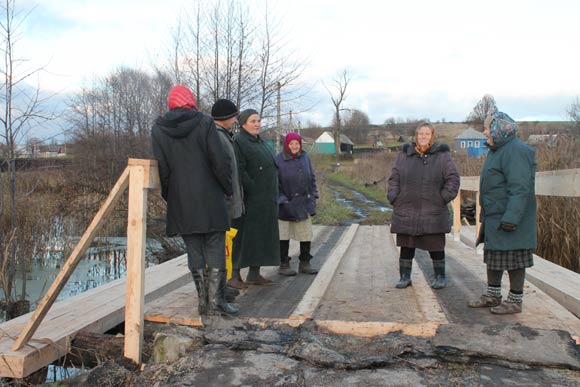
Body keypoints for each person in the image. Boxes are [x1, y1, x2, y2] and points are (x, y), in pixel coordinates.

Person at [151, 85, 238, 316]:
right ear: (190, 101)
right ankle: (217, 302)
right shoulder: (204, 122)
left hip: (181, 199)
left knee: (194, 251)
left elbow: (164, 169)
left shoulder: (158, 130)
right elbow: (218, 160)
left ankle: (202, 302)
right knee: (215, 248)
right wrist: (227, 188)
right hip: (210, 196)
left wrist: (171, 196)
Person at [468, 112, 537, 314]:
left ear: (498, 129)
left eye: (487, 128)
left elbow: (520, 188)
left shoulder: (516, 151)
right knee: (495, 256)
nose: (484, 131)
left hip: (509, 216)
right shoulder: (497, 150)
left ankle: (515, 301)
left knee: (515, 258)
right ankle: (493, 295)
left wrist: (511, 218)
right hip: (495, 215)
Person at [388, 122, 460, 289]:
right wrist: (394, 196)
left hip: (432, 209)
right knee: (407, 245)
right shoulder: (404, 155)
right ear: (416, 135)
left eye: (427, 134)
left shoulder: (442, 156)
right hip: (406, 208)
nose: (423, 137)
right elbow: (394, 177)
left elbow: (453, 179)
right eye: (421, 134)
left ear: (432, 136)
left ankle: (440, 276)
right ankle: (405, 277)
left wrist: (443, 198)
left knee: (435, 244)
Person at [231, 109, 280, 285]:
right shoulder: (239, 141)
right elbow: (239, 169)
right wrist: (253, 187)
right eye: (253, 121)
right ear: (243, 123)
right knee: (243, 237)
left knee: (260, 236)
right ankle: (234, 275)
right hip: (249, 199)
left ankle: (254, 273)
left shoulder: (260, 142)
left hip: (266, 200)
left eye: (259, 120)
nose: (257, 124)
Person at [211, 99, 245, 292]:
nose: (235, 119)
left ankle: (223, 287)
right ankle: (219, 290)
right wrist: (228, 196)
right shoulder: (217, 137)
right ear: (225, 117)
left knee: (226, 247)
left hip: (229, 201)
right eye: (234, 116)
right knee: (220, 250)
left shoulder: (225, 135)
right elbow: (221, 171)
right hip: (224, 202)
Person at [276, 132, 319, 276]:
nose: (294, 146)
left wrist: (313, 197)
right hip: (285, 205)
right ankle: (284, 264)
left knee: (305, 234)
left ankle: (305, 263)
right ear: (286, 145)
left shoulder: (305, 157)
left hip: (303, 203)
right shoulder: (278, 160)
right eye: (291, 144)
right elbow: (274, 183)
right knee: (283, 235)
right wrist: (282, 199)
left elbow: (311, 178)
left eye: (297, 144)